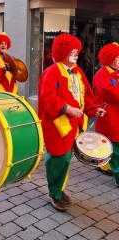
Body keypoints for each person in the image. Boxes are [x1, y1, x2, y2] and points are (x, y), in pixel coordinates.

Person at [38, 33, 106, 211]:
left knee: (66, 159)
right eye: (72, 52)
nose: (76, 55)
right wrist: (67, 108)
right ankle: (54, 193)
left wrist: (94, 109)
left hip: (74, 124)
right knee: (59, 158)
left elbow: (86, 95)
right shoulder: (51, 72)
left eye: (76, 52)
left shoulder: (78, 71)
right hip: (58, 124)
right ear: (62, 53)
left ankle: (59, 189)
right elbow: (47, 97)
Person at [93, 42, 119, 187]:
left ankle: (103, 165)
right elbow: (113, 93)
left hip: (115, 116)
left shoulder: (115, 72)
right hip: (109, 116)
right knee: (114, 146)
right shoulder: (102, 74)